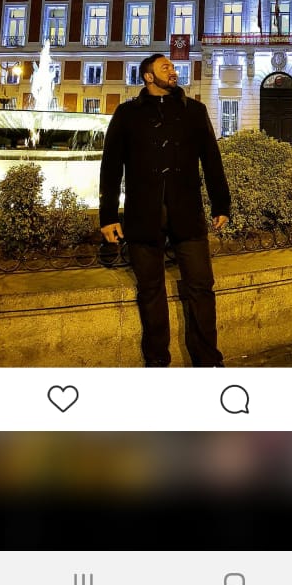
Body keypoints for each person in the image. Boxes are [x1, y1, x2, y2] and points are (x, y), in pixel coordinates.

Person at [99, 53, 231, 367]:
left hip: (187, 214)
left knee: (201, 286)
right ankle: (157, 361)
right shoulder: (127, 114)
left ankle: (208, 360)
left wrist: (221, 204)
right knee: (150, 290)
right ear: (148, 76)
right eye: (165, 67)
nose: (172, 70)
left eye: (172, 66)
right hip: (142, 215)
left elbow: (211, 160)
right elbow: (111, 166)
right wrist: (108, 216)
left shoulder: (194, 111)